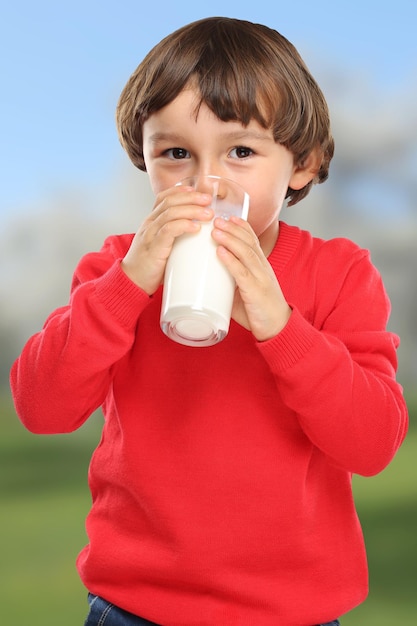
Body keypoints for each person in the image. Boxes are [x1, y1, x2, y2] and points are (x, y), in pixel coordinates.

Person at [10, 16, 408, 626]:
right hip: (134, 607)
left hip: (293, 612)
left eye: (241, 152)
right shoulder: (116, 266)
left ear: (301, 165)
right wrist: (128, 286)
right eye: (174, 154)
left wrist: (281, 325)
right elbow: (42, 406)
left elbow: (374, 443)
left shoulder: (340, 275)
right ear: (143, 160)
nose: (204, 181)